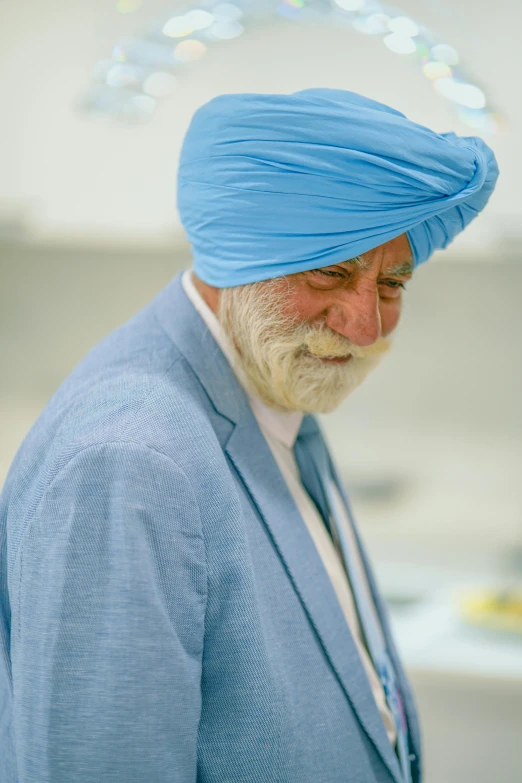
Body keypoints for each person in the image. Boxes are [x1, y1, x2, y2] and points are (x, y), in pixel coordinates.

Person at [0, 88, 498, 783]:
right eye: (331, 269)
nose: (368, 326)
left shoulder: (275, 387)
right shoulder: (132, 459)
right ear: (242, 249)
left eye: (393, 284)